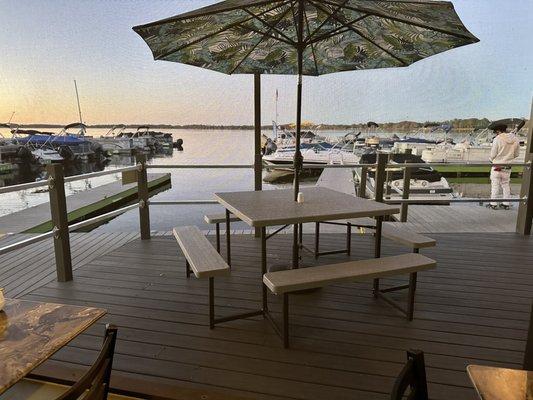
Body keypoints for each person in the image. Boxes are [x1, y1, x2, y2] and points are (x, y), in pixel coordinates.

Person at [488, 124, 520, 210]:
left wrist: (490, 159)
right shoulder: (515, 139)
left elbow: (493, 154)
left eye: (495, 132)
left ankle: (493, 203)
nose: (495, 134)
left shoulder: (497, 139)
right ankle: (506, 203)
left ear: (498, 131)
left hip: (497, 166)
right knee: (506, 185)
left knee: (495, 185)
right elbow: (517, 154)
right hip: (507, 167)